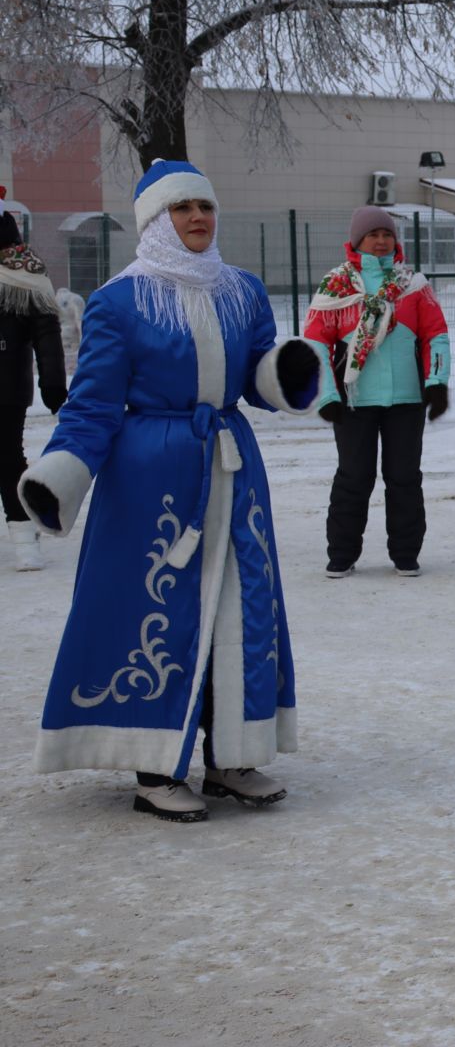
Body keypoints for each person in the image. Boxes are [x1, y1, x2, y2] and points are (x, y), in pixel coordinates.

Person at [17, 160, 322, 822]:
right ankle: (154, 766)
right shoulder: (119, 302)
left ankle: (232, 757)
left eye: (205, 207)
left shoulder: (240, 290)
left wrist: (285, 369)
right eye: (181, 208)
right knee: (150, 613)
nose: (197, 219)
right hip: (150, 480)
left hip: (232, 470)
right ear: (155, 220)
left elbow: (256, 378)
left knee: (239, 610)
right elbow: (93, 406)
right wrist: (61, 474)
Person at [303, 206, 451, 579]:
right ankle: (342, 554)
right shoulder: (335, 287)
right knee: (354, 477)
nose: (382, 241)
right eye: (373, 235)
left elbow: (436, 335)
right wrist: (326, 395)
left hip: (406, 400)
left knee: (404, 477)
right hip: (352, 403)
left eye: (387, 234)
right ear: (357, 241)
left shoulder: (413, 285)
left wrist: (436, 383)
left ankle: (405, 554)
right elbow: (316, 344)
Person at [0, 198, 67, 570]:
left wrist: (53, 384)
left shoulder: (25, 276)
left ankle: (24, 534)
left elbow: (47, 335)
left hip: (6, 385)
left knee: (7, 459)